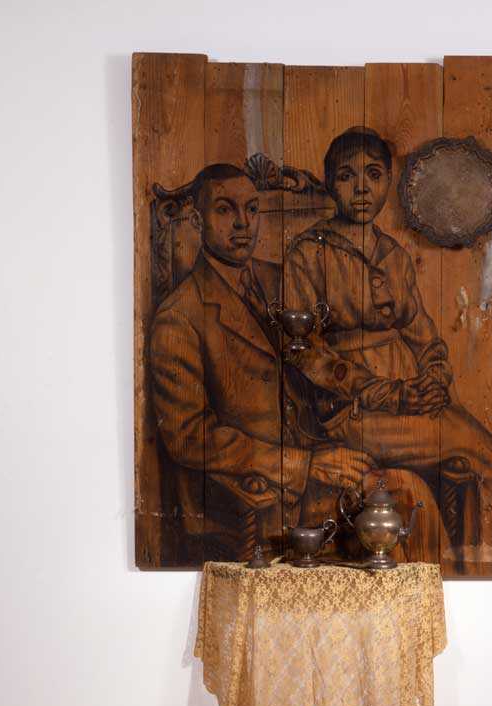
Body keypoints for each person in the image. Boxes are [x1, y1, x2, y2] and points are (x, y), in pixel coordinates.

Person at [284, 128, 492, 567]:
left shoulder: (393, 255)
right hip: (351, 412)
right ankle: (482, 572)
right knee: (489, 463)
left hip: (408, 400)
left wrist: (435, 379)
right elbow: (306, 354)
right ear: (330, 183)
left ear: (388, 181)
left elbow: (423, 334)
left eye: (373, 175)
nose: (361, 189)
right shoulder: (307, 253)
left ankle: (482, 572)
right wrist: (389, 394)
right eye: (347, 176)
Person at [150, 164, 374, 559]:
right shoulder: (178, 316)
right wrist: (303, 465)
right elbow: (189, 437)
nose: (243, 223)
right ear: (197, 221)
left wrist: (375, 390)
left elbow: (318, 361)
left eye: (252, 209)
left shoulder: (280, 280)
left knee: (405, 488)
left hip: (318, 453)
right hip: (258, 487)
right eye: (225, 210)